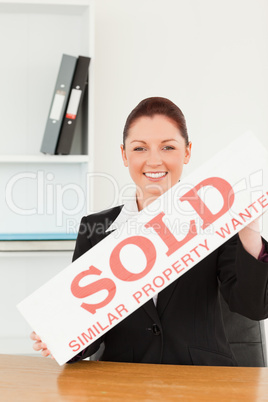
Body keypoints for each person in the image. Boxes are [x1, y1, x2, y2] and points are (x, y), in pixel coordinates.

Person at [31, 97, 268, 366]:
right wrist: (62, 339)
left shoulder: (216, 222)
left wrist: (249, 227)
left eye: (168, 147)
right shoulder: (95, 230)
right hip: (123, 380)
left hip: (202, 379)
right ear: (124, 155)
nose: (154, 161)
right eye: (140, 148)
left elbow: (254, 307)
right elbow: (89, 330)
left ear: (187, 152)